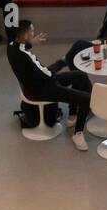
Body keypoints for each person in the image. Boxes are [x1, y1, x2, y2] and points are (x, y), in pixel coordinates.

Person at [6, 20, 92, 152]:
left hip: (37, 83)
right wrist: (62, 62)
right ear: (25, 35)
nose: (34, 34)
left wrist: (31, 43)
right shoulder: (24, 57)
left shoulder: (11, 46)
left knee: (80, 75)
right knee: (86, 98)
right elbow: (48, 74)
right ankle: (78, 133)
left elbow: (24, 50)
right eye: (32, 32)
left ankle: (74, 113)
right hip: (43, 89)